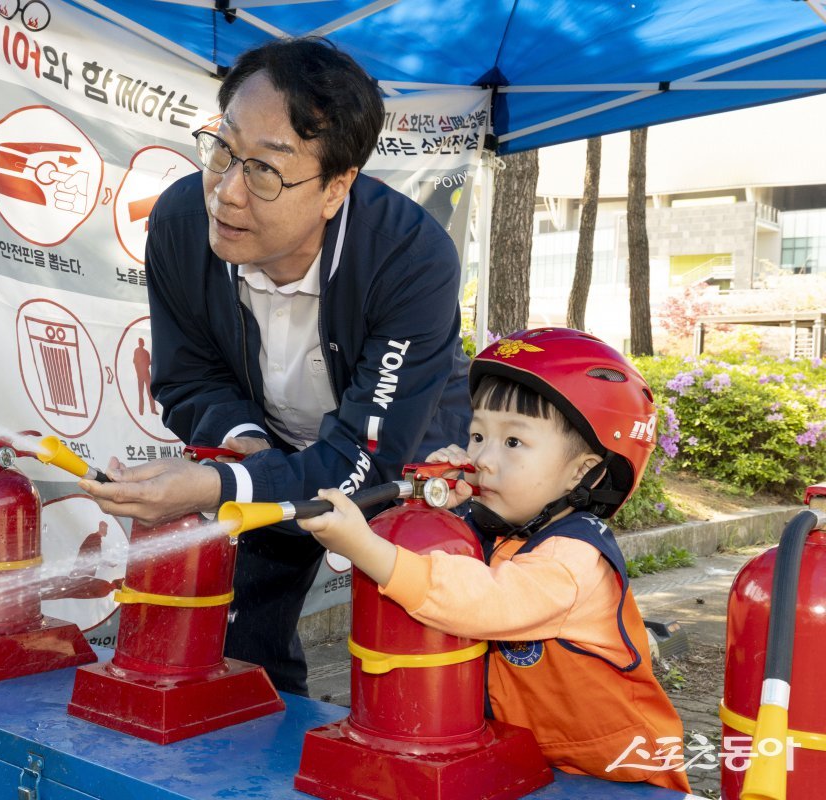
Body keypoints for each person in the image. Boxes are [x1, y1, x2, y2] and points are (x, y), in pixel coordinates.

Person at [79, 37, 471, 696]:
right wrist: (246, 457)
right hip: (270, 447)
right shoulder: (181, 220)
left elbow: (363, 463)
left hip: (403, 450)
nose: (227, 192)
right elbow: (189, 377)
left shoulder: (409, 257)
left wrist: (215, 485)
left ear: (335, 188)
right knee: (237, 647)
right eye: (223, 150)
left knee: (430, 650)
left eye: (265, 170)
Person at [299, 328, 690, 792]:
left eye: (512, 443)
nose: (481, 457)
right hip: (536, 766)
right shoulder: (505, 529)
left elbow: (483, 600)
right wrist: (443, 514)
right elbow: (461, 562)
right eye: (478, 434)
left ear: (582, 472)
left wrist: (367, 549)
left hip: (618, 778)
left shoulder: (574, 560)